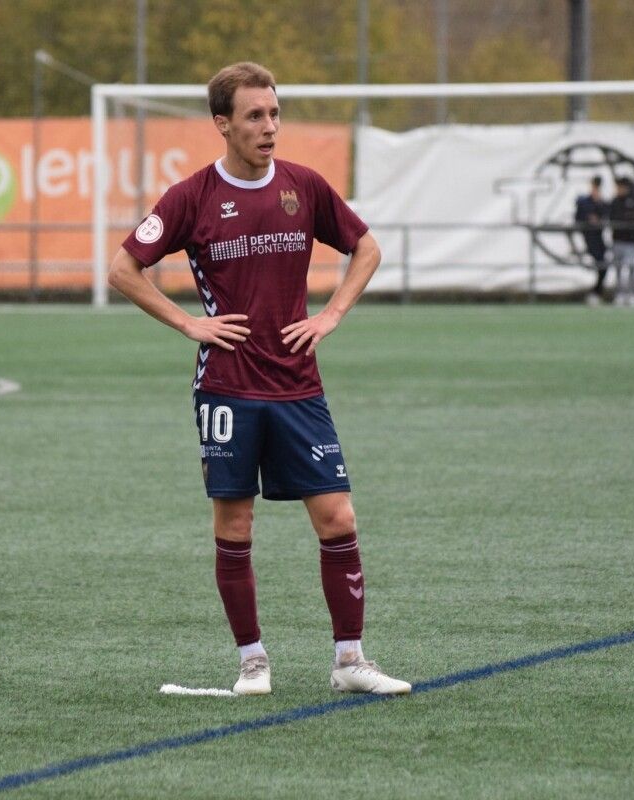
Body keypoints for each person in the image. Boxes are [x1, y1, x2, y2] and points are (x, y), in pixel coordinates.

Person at [108, 62, 410, 697]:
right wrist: (189, 325)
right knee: (235, 525)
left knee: (338, 518)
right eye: (254, 116)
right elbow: (123, 269)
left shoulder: (305, 185)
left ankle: (350, 662)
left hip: (299, 385)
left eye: (274, 113)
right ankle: (253, 664)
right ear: (223, 124)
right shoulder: (190, 196)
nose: (269, 126)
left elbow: (368, 249)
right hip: (226, 387)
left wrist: (330, 314)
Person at [609, 176, 634, 307]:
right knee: (618, 269)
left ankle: (632, 294)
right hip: (618, 240)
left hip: (630, 241)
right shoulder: (615, 201)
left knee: (631, 268)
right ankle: (619, 294)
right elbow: (612, 217)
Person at [574, 175, 610, 306]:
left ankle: (596, 291)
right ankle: (596, 292)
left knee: (603, 265)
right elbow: (578, 218)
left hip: (598, 238)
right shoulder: (584, 202)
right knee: (599, 264)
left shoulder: (601, 202)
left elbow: (607, 215)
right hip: (588, 237)